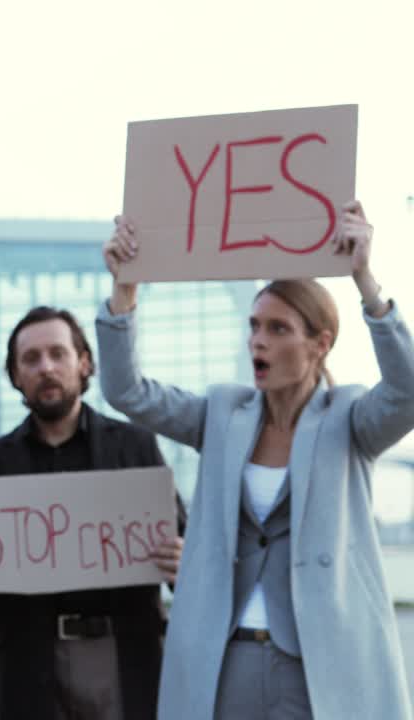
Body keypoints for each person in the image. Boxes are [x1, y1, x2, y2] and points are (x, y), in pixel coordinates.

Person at [98, 201, 414, 719]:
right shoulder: (223, 413)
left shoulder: (350, 418)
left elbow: (407, 391)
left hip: (316, 662)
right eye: (254, 326)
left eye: (277, 329)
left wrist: (366, 283)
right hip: (227, 657)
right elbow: (126, 390)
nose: (257, 341)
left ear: (320, 343)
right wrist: (124, 289)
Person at [0, 307, 186, 719]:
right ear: (15, 375)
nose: (46, 367)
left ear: (84, 363)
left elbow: (185, 554)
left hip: (125, 651)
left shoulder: (136, 447)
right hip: (30, 664)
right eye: (30, 359)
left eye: (57, 354)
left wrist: (180, 560)